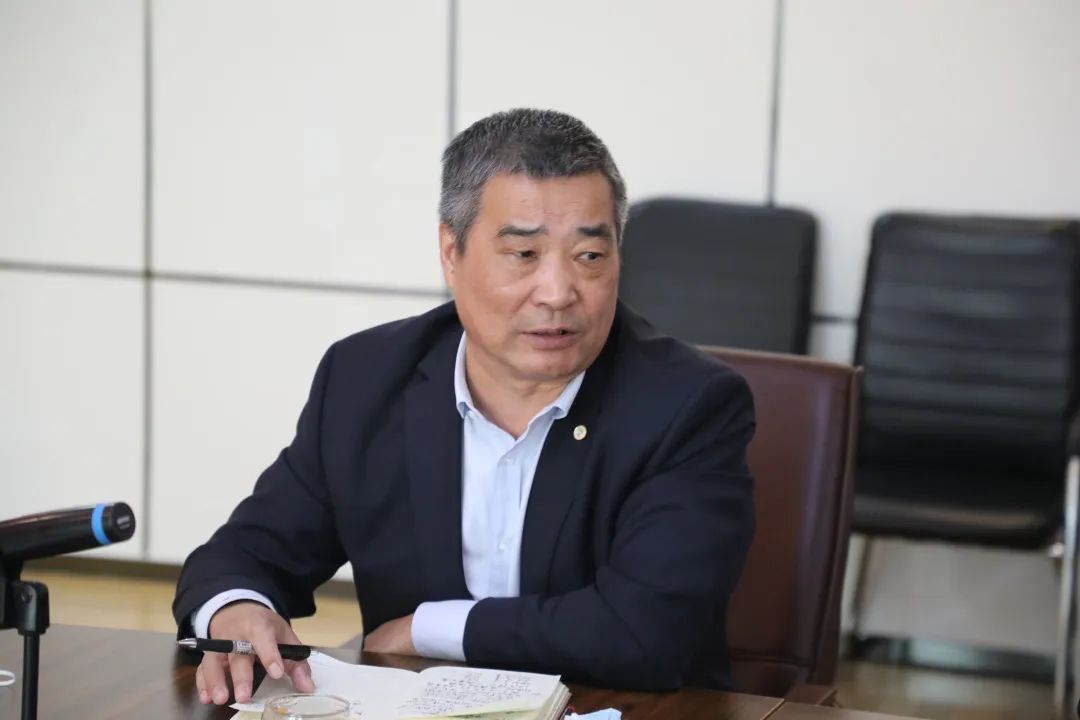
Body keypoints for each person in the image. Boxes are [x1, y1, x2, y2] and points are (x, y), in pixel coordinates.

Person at [173, 108, 755, 706]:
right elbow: (246, 552)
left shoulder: (688, 406)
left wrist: (428, 629)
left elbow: (646, 631)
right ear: (451, 252)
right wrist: (237, 607)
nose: (558, 293)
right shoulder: (367, 379)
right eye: (523, 254)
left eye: (589, 256)